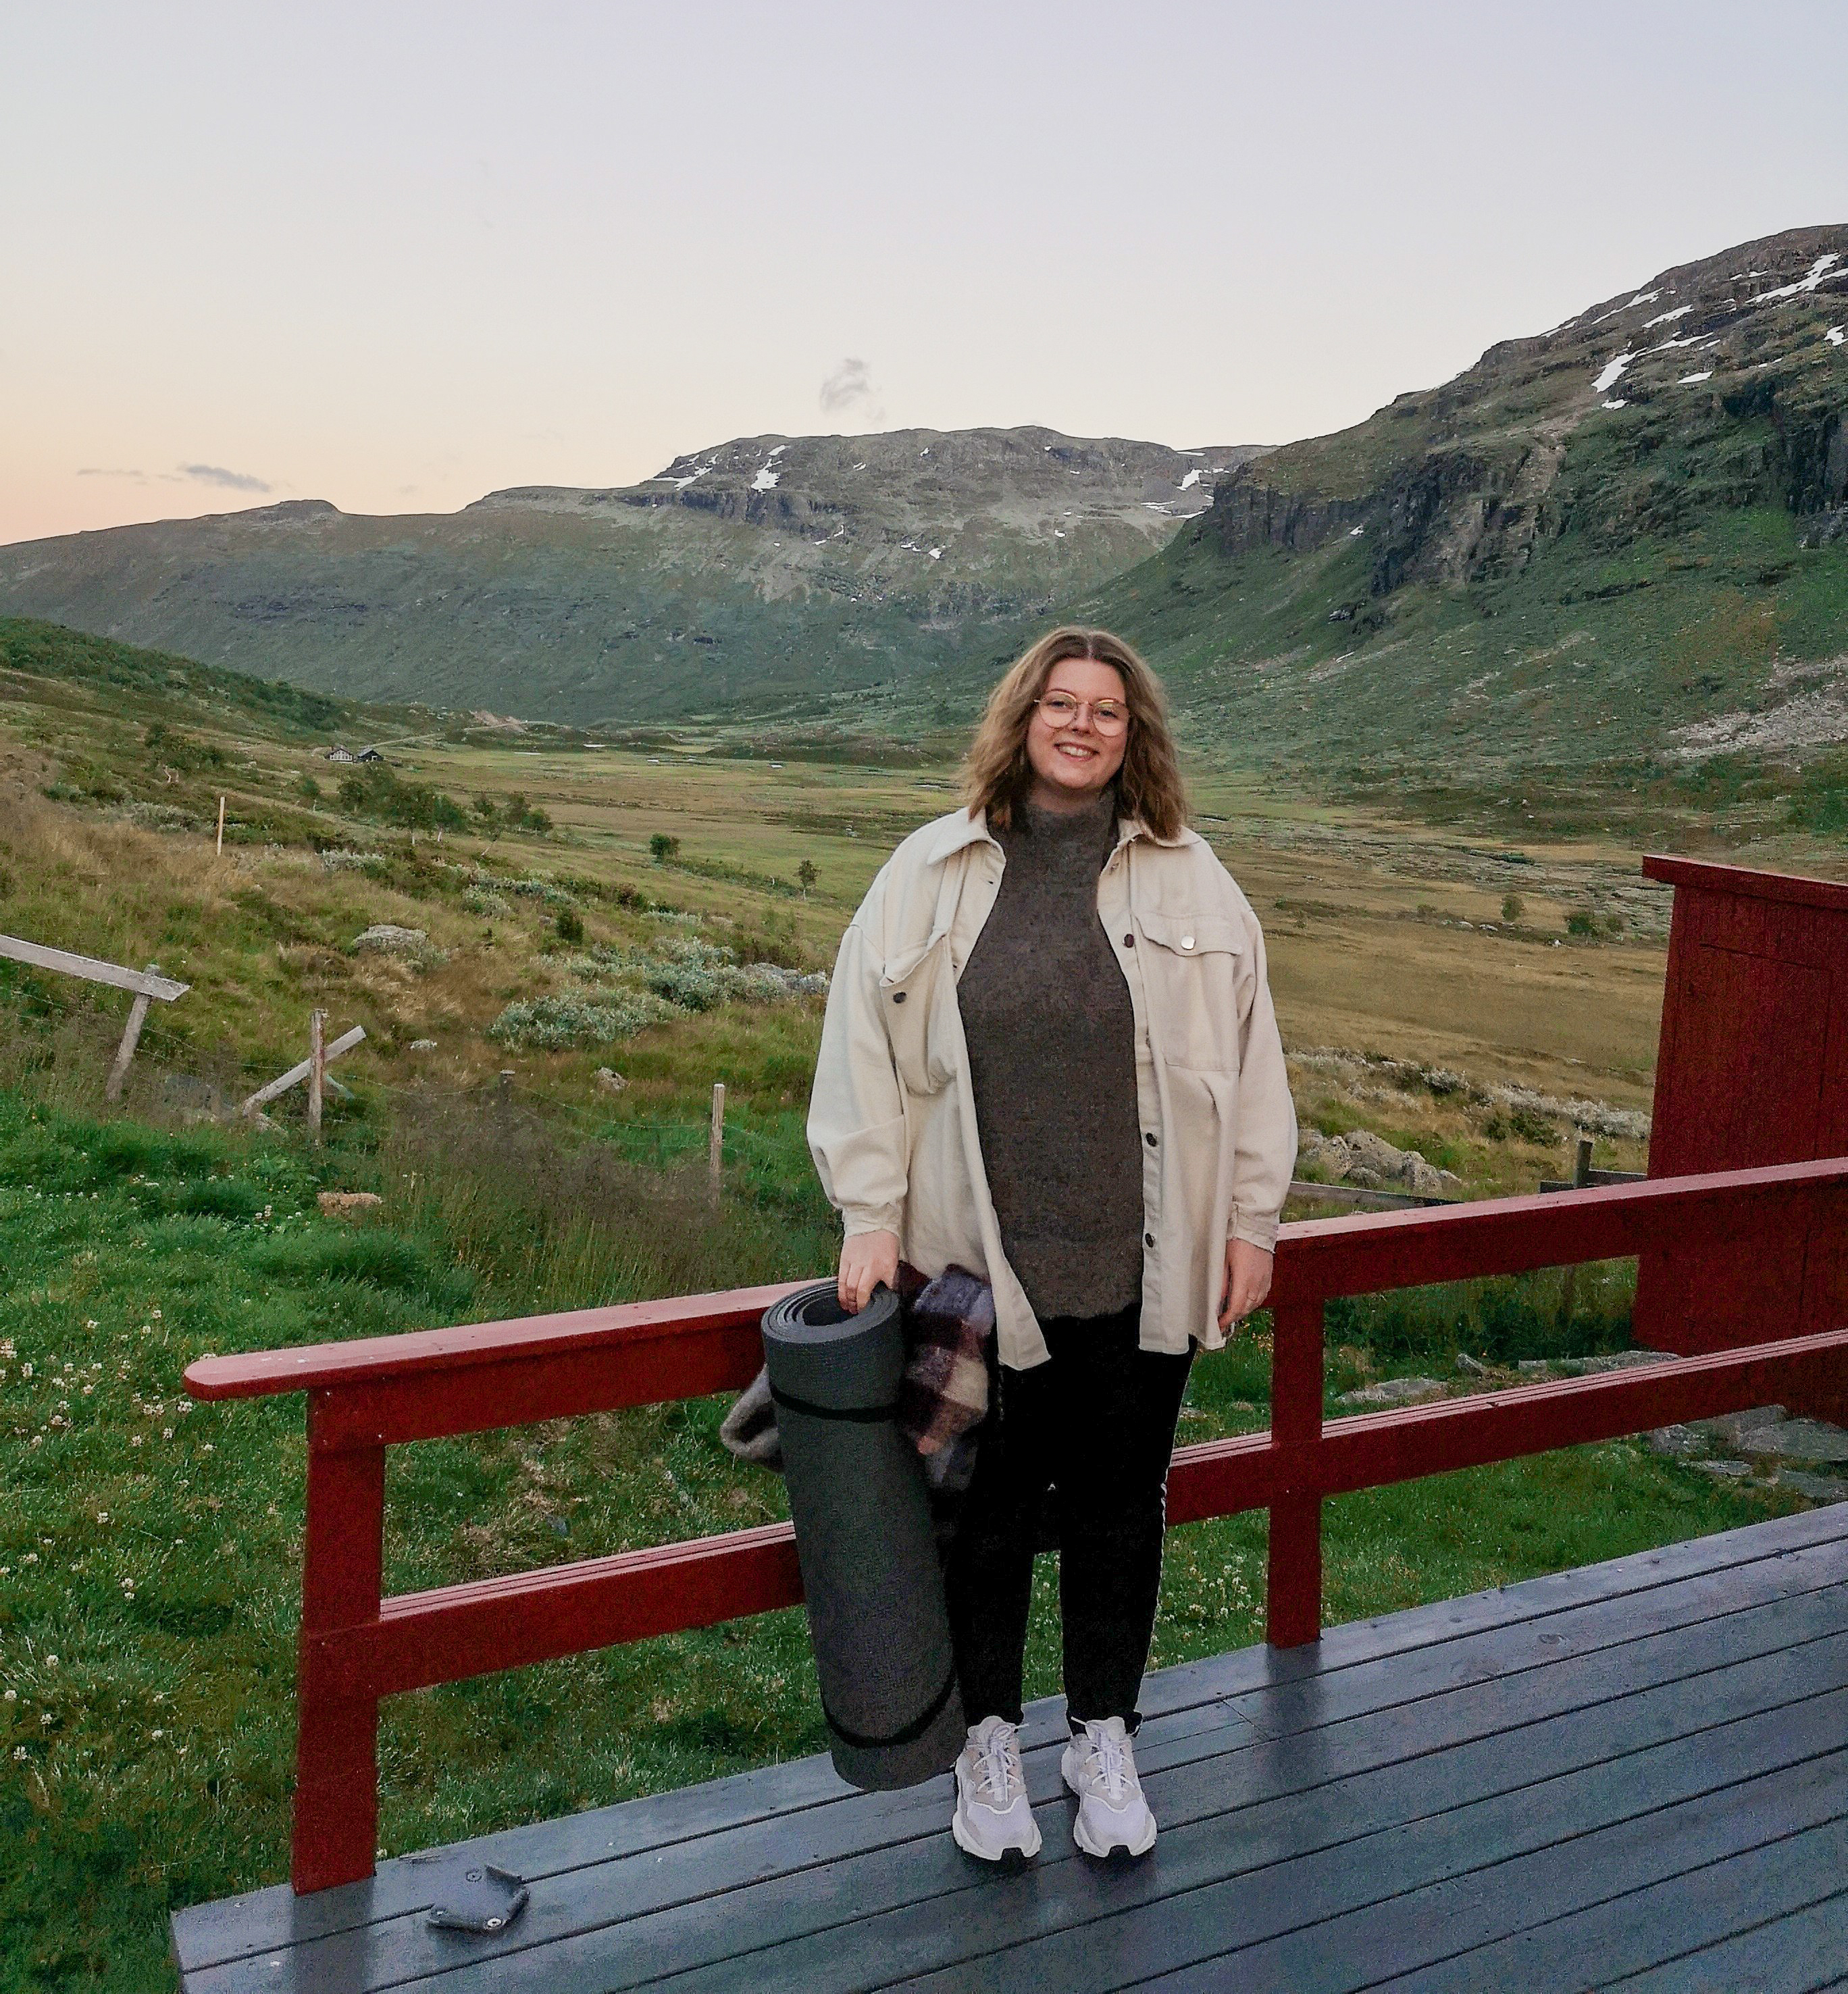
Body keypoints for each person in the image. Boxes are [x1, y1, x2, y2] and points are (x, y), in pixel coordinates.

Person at [807, 625, 1296, 1863]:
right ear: (1022, 718)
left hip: (1143, 1272)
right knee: (983, 1518)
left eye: (1109, 712)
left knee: (1124, 1510)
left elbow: (1252, 1063)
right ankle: (988, 1752)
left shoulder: (1195, 881)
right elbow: (860, 1054)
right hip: (977, 1269)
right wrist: (869, 1215)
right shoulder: (927, 873)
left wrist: (1251, 1224)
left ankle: (1104, 1735)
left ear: (1137, 738)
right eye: (1061, 705)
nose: (1082, 727)